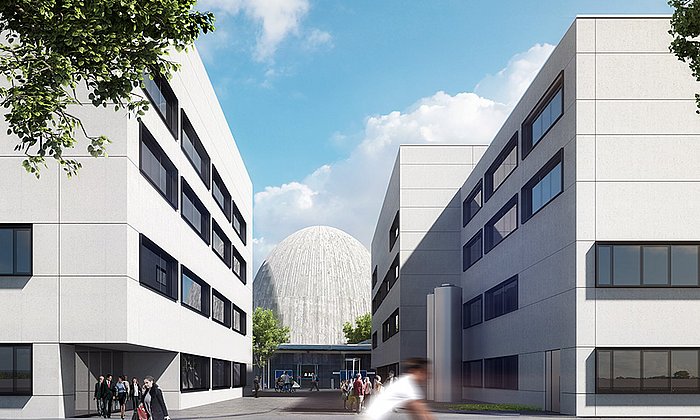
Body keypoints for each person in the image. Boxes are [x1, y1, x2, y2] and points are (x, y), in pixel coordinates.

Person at [363, 358, 435, 420]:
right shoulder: (408, 385)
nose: (429, 376)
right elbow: (422, 414)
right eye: (426, 372)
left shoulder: (405, 382)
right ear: (417, 371)